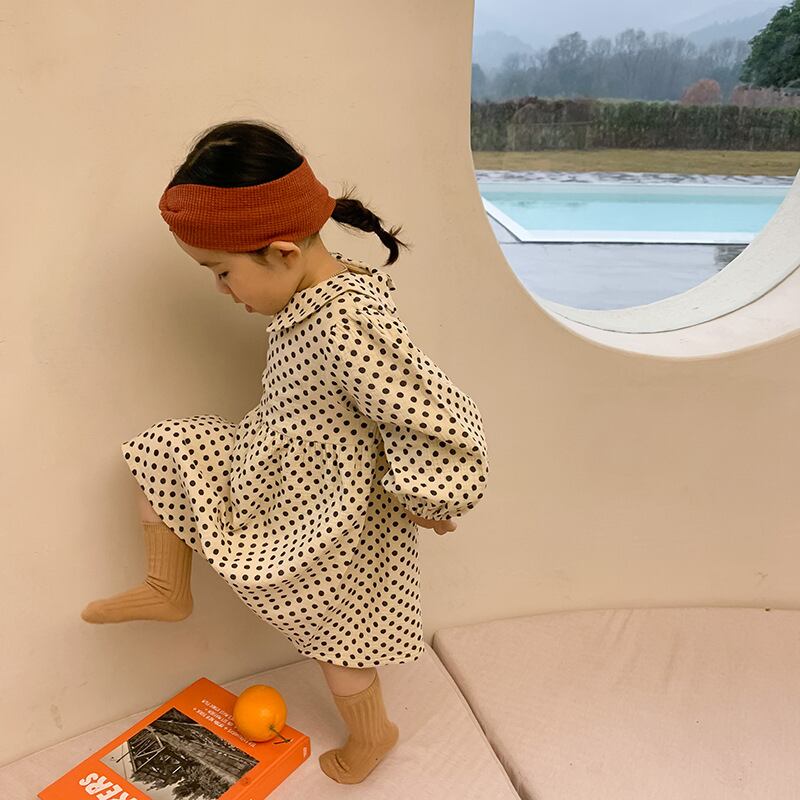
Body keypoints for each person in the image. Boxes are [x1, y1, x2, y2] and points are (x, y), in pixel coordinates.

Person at [80, 119, 490, 784]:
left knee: (340, 641)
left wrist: (432, 496)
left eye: (223, 273)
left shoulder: (347, 320)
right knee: (167, 447)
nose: (222, 291)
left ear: (283, 253)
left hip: (336, 514)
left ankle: (373, 735)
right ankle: (166, 584)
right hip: (275, 467)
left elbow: (429, 411)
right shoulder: (316, 298)